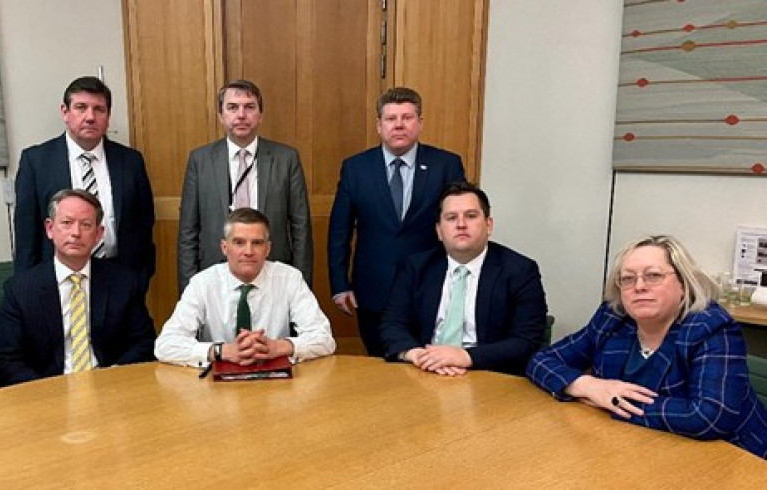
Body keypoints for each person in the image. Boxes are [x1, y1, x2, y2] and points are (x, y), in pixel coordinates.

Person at [527, 235, 767, 459]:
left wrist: (615, 402)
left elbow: (709, 416)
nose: (639, 286)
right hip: (640, 448)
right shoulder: (613, 319)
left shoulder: (710, 327)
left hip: (731, 458)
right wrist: (587, 385)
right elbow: (541, 360)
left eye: (653, 275)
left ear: (683, 285)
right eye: (628, 279)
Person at [328, 86, 466, 356]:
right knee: (381, 371)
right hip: (373, 289)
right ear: (379, 125)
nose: (399, 125)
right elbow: (339, 231)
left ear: (420, 123)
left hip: (431, 288)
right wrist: (339, 285)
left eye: (407, 117)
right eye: (391, 119)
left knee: (428, 364)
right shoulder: (356, 168)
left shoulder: (446, 165)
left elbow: (458, 224)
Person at [0, 189, 156, 387]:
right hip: (47, 392)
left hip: (110, 388)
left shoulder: (123, 282)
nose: (76, 233)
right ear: (50, 229)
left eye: (86, 225)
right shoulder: (20, 290)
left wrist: (113, 376)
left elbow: (144, 342)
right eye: (67, 223)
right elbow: (4, 360)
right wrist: (48, 391)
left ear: (98, 234)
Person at [380, 182, 548, 376]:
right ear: (439, 231)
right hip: (424, 371)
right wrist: (416, 354)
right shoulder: (416, 267)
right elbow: (392, 323)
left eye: (470, 216)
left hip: (489, 375)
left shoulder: (520, 270)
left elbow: (526, 340)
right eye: (451, 218)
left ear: (488, 225)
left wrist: (466, 356)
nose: (461, 224)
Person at [13, 76, 155, 289]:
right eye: (81, 107)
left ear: (108, 116)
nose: (90, 117)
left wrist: (140, 278)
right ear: (65, 112)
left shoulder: (131, 161)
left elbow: (144, 225)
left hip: (120, 278)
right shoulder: (36, 162)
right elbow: (26, 236)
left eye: (99, 109)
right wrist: (28, 288)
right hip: (58, 280)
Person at [177, 79, 312, 295]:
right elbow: (188, 231)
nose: (241, 115)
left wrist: (301, 287)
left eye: (249, 107)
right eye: (232, 107)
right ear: (221, 115)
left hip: (274, 276)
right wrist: (189, 289)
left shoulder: (286, 159)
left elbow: (301, 228)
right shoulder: (200, 160)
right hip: (215, 277)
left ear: (260, 115)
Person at [156, 208, 334, 368]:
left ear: (268, 248)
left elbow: (325, 339)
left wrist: (277, 347)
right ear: (224, 248)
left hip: (277, 386)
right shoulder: (202, 283)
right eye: (239, 242)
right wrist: (222, 351)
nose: (248, 251)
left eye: (257, 243)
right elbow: (165, 345)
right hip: (217, 391)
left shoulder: (290, 279)